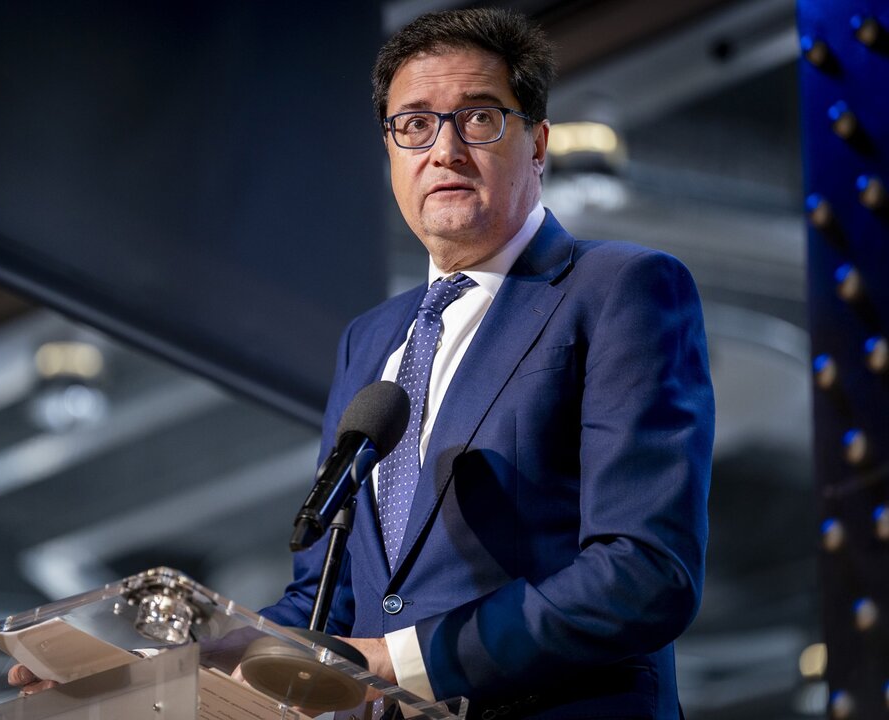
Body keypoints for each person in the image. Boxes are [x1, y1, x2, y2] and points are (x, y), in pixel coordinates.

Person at [260, 8, 714, 720]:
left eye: (477, 119)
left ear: (537, 144)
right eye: (414, 124)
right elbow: (329, 596)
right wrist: (192, 654)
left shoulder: (620, 288)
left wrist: (407, 661)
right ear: (390, 152)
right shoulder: (368, 340)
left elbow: (645, 571)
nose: (443, 150)